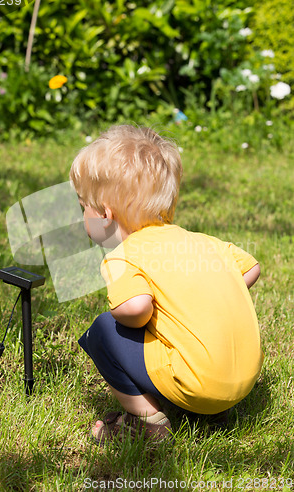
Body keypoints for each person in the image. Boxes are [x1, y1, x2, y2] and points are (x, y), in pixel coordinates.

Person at [69, 124, 263, 446]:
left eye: (82, 207)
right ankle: (211, 414)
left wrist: (136, 316)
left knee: (102, 331)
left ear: (104, 215)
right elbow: (251, 267)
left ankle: (146, 424)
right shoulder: (201, 241)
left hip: (199, 384)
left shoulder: (123, 256)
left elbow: (136, 308)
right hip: (243, 380)